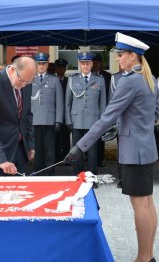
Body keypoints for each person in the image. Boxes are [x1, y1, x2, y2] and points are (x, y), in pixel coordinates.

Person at [64, 32, 158, 262]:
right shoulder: (149, 79)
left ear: (133, 57)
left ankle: (144, 258)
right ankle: (148, 255)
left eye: (121, 54)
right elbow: (154, 113)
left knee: (140, 204)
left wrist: (80, 146)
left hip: (134, 150)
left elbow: (106, 116)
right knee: (147, 202)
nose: (117, 59)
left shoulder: (130, 81)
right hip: (145, 146)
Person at [0, 56, 36, 176]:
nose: (24, 85)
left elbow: (27, 115)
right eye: (22, 81)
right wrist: (1, 160)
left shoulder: (25, 80)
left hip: (20, 149)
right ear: (12, 70)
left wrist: (30, 144)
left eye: (28, 82)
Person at [65, 52, 106, 186]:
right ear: (79, 64)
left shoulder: (99, 80)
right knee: (77, 151)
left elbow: (102, 103)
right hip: (76, 120)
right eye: (83, 63)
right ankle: (78, 178)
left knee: (93, 152)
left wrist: (102, 122)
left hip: (93, 121)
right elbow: (68, 103)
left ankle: (92, 178)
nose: (85, 66)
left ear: (92, 64)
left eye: (88, 63)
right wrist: (68, 120)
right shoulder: (72, 79)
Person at [31, 53, 64, 175]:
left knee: (50, 151)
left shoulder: (54, 80)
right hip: (34, 120)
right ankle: (39, 174)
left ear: (47, 65)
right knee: (37, 151)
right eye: (39, 64)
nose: (41, 66)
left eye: (43, 64)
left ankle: (50, 175)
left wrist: (58, 120)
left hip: (50, 120)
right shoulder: (30, 79)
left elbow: (59, 102)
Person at [92, 53, 112, 167]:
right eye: (93, 62)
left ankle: (100, 159)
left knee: (100, 136)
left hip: (104, 109)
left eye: (97, 62)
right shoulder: (88, 75)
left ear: (100, 63)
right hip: (91, 110)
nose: (95, 64)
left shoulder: (107, 76)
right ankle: (88, 157)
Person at [54, 58, 70, 162]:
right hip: (55, 113)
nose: (61, 70)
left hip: (67, 113)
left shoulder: (69, 81)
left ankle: (66, 158)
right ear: (56, 69)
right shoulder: (52, 81)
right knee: (55, 137)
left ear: (65, 69)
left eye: (62, 68)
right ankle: (56, 158)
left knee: (66, 137)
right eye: (59, 68)